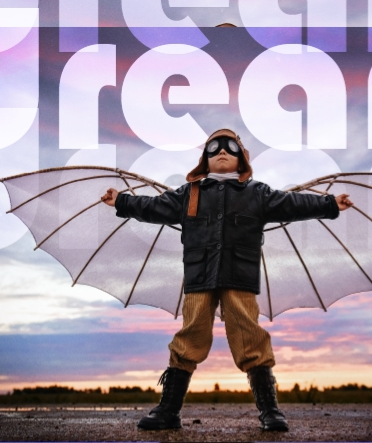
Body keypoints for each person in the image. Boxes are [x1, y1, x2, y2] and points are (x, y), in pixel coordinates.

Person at [100, 128, 352, 432]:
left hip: (239, 274)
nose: (222, 150)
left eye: (230, 146)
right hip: (199, 275)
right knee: (190, 334)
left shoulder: (257, 193)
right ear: (204, 159)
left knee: (249, 334)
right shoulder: (189, 193)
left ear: (241, 158)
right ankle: (168, 410)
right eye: (214, 147)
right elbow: (153, 207)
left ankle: (270, 410)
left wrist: (329, 204)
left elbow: (292, 204)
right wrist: (122, 202)